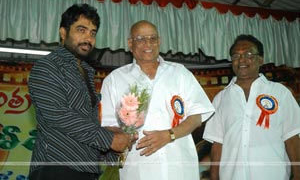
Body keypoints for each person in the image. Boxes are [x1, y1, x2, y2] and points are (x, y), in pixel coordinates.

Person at [28, 3, 133, 180]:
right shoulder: (47, 67)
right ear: (63, 33)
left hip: (87, 170)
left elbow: (86, 123)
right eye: (81, 30)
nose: (88, 38)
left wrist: (112, 148)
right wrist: (109, 140)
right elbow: (58, 115)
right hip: (55, 167)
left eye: (93, 33)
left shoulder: (86, 72)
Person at [100, 20, 215, 180]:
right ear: (130, 43)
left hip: (180, 168)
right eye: (141, 39)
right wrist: (125, 135)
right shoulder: (114, 80)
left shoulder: (180, 73)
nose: (148, 43)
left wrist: (169, 135)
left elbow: (197, 117)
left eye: (153, 38)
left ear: (159, 42)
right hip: (138, 169)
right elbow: (107, 125)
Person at [203, 34, 300, 180]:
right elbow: (217, 145)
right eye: (236, 55)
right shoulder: (221, 99)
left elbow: (292, 138)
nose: (241, 59)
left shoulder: (280, 93)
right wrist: (214, 177)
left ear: (260, 59)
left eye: (248, 54)